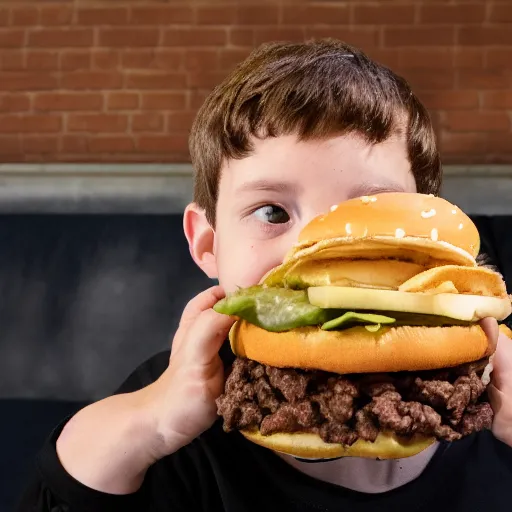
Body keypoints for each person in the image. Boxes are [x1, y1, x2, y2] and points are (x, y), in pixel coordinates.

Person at [18, 40, 512, 512]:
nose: (312, 253)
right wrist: (149, 424)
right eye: (273, 212)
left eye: (367, 216)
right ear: (208, 244)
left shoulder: (491, 405)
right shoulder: (185, 396)